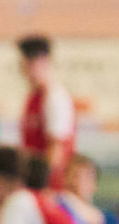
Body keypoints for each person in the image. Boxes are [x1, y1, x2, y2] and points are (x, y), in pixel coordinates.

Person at [16, 35, 75, 179]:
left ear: (46, 62)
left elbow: (56, 150)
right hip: (35, 180)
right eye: (25, 62)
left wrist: (41, 181)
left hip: (51, 182)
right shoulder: (33, 97)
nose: (26, 68)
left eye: (32, 62)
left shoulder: (54, 96)